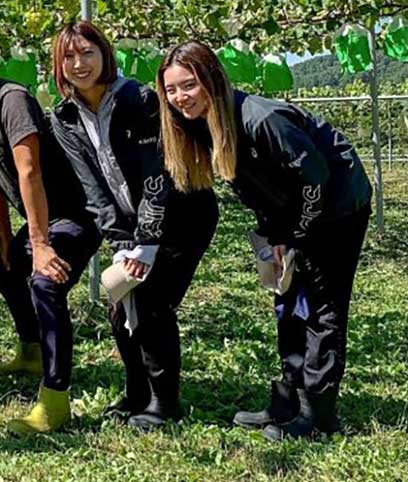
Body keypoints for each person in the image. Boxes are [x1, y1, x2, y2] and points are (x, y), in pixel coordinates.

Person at [156, 40, 372, 440]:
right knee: (287, 298)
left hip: (338, 206)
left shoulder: (261, 119)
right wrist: (274, 236)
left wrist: (296, 237)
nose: (179, 98)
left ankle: (320, 416)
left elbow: (315, 181)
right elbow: (253, 186)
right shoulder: (201, 125)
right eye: (170, 90)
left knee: (322, 305)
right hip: (294, 213)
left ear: (212, 81)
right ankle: (290, 400)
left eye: (188, 85)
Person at [47, 22, 218, 430]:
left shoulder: (140, 99)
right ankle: (137, 392)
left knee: (152, 303)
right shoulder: (65, 117)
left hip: (182, 218)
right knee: (121, 302)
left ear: (105, 53)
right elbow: (92, 186)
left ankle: (164, 402)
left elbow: (158, 176)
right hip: (130, 229)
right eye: (68, 56)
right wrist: (122, 239)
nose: (79, 63)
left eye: (87, 52)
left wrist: (147, 240)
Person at [0, 14, 102, 434]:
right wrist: (6, 238)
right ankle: (31, 351)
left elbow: (29, 172)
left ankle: (55, 399)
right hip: (41, 219)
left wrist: (41, 243)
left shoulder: (11, 99)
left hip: (76, 216)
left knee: (45, 283)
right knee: (7, 269)